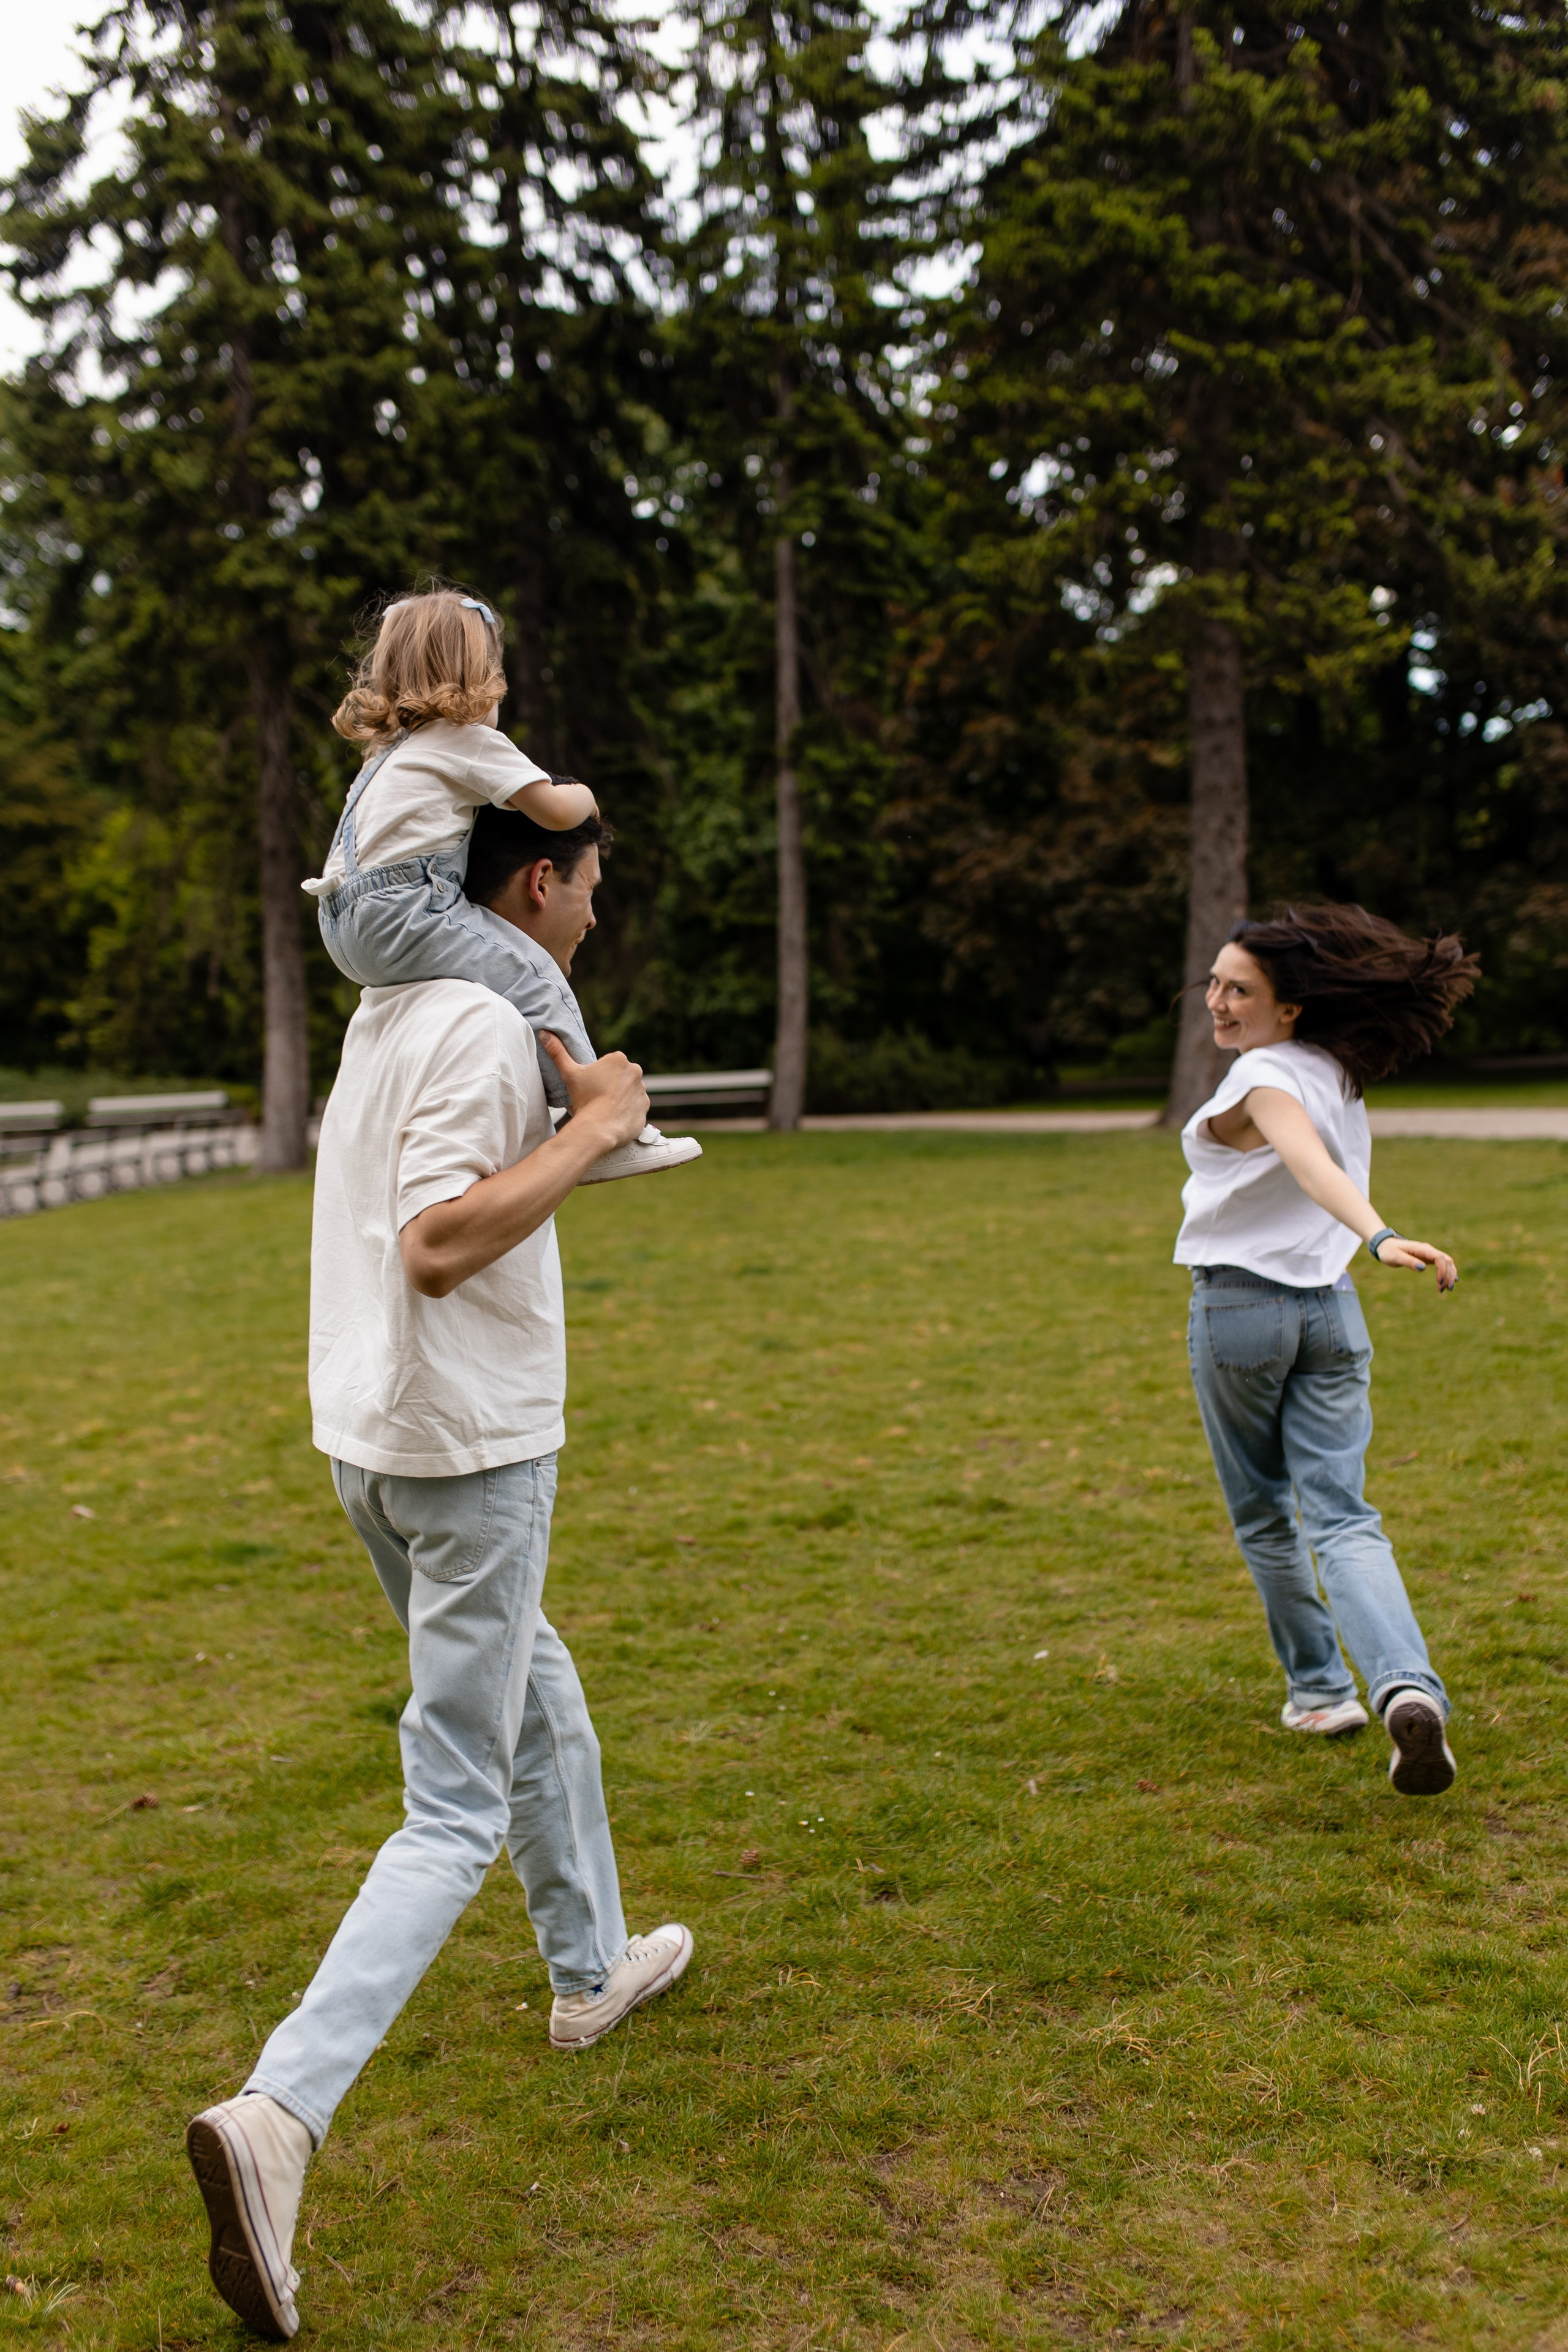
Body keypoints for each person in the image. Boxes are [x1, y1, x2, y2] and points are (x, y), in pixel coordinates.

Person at [185, 807, 693, 2341]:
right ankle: (279, 2113)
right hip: (465, 1449)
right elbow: (433, 1240)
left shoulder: (392, 1007)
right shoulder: (480, 1015)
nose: (593, 921)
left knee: (536, 1676)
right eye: (590, 891)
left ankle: (589, 1965)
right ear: (535, 881)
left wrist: (575, 1127)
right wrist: (598, 1127)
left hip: (376, 1442)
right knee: (454, 1800)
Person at [1174, 903, 1478, 1798]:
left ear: (1291, 1006)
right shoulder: (1334, 1071)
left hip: (1240, 1313)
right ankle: (1408, 1689)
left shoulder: (1262, 1078)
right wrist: (1369, 1242)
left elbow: (1306, 1162)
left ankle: (1319, 1691)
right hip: (1330, 1315)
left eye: (1241, 990)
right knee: (1344, 1516)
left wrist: (1380, 1237)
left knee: (1267, 1514)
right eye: (1215, 984)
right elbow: (1320, 1160)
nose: (1218, 1003)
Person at [304, 581, 698, 1184]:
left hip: (341, 923)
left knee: (482, 978)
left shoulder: (386, 755)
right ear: (474, 677)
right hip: (405, 908)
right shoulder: (465, 742)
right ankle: (599, 1121)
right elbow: (557, 813)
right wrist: (587, 796)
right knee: (533, 973)